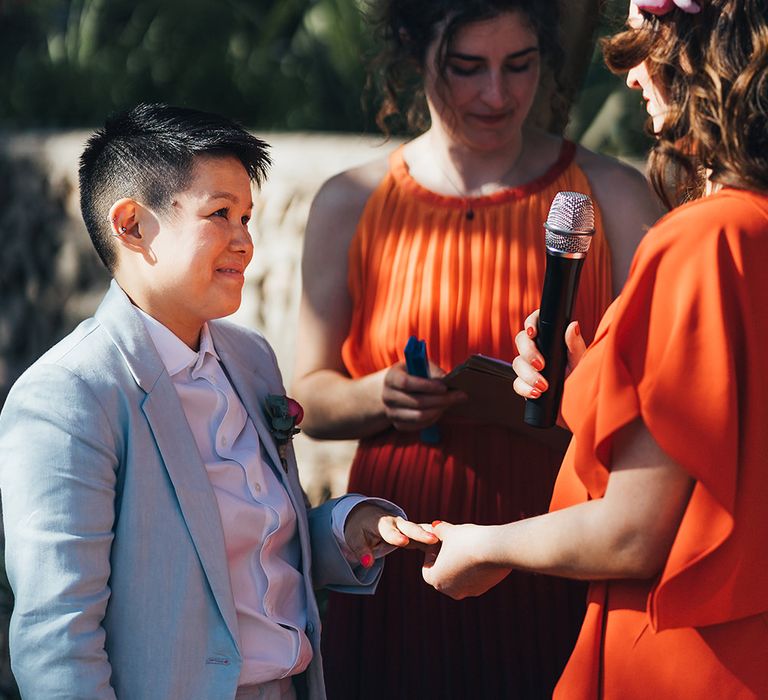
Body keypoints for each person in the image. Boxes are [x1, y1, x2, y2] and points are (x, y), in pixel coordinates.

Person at [0, 103, 438, 700]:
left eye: (248, 217)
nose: (245, 242)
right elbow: (57, 638)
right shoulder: (70, 395)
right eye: (221, 214)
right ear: (131, 225)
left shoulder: (250, 358)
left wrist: (341, 529)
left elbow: (232, 548)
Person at [291, 1, 663, 697]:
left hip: (556, 544)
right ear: (414, 57)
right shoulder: (350, 201)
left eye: (519, 65)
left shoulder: (614, 195)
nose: (497, 94)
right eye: (468, 68)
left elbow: (658, 401)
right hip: (401, 546)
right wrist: (378, 394)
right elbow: (305, 396)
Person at [422, 0, 768, 696]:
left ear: (706, 56)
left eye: (647, 42)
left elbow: (635, 532)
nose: (633, 71)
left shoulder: (706, 239)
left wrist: (484, 546)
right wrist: (606, 384)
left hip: (686, 658)